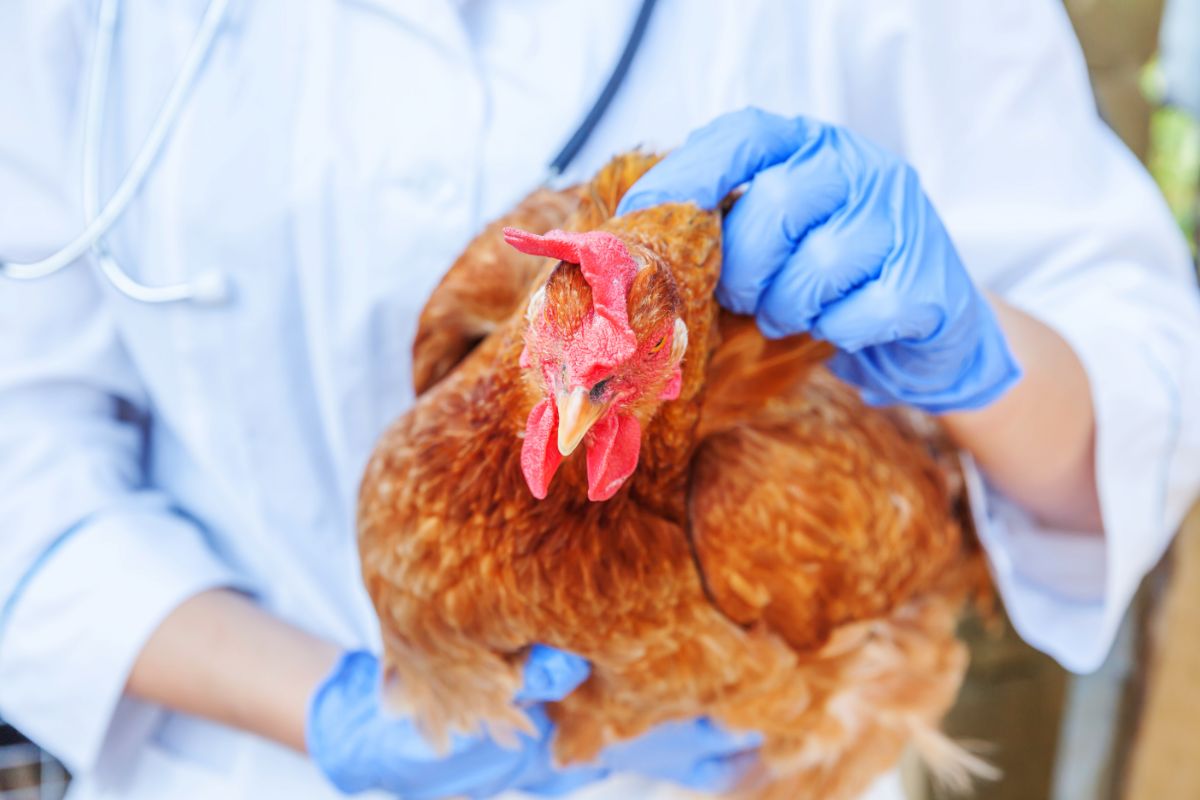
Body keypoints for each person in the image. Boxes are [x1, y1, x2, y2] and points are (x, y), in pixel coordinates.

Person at [1, 2, 1198, 799]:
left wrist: (983, 355)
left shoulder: (767, 511)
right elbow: (21, 444)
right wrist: (325, 708)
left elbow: (1139, 400)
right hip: (240, 760)